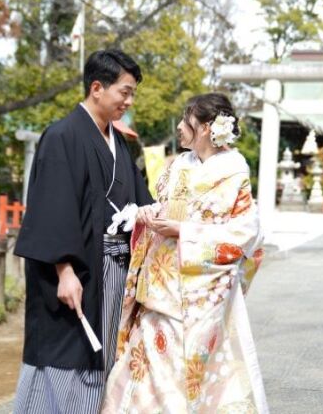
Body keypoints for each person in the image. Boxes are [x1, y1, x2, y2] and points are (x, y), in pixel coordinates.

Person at [101, 93, 267, 414]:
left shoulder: (233, 171)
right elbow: (163, 207)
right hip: (157, 293)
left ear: (206, 127)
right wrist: (147, 215)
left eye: (186, 120)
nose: (179, 127)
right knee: (137, 376)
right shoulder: (177, 165)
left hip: (201, 300)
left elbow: (248, 234)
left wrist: (184, 232)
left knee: (185, 383)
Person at [13, 49, 154, 413]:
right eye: (125, 91)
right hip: (76, 272)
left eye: (131, 92)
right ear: (97, 87)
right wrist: (64, 271)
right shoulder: (62, 136)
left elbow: (141, 201)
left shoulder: (117, 142)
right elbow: (52, 209)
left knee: (104, 353)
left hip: (112, 272)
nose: (129, 100)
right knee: (67, 355)